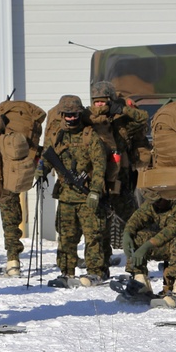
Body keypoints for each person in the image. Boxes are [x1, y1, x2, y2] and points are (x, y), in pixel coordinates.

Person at [40, 95, 109, 286]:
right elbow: (46, 156)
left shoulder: (90, 135)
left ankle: (95, 271)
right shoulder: (56, 135)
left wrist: (95, 191)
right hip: (65, 195)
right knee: (66, 236)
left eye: (74, 114)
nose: (71, 118)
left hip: (87, 197)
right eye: (67, 114)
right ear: (62, 114)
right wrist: (41, 170)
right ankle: (66, 271)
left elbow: (99, 165)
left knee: (93, 235)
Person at [88, 80, 151, 263]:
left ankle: (140, 257)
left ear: (111, 100)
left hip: (121, 179)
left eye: (103, 101)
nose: (99, 105)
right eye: (96, 101)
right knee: (100, 223)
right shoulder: (89, 119)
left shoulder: (122, 119)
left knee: (131, 219)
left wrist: (123, 110)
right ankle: (102, 262)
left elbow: (143, 118)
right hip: (98, 178)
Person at [121, 192, 176, 300]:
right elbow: (137, 218)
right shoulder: (154, 203)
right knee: (137, 239)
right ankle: (140, 283)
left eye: (158, 201)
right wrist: (127, 233)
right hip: (166, 245)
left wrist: (147, 246)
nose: (156, 204)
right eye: (154, 201)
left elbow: (174, 229)